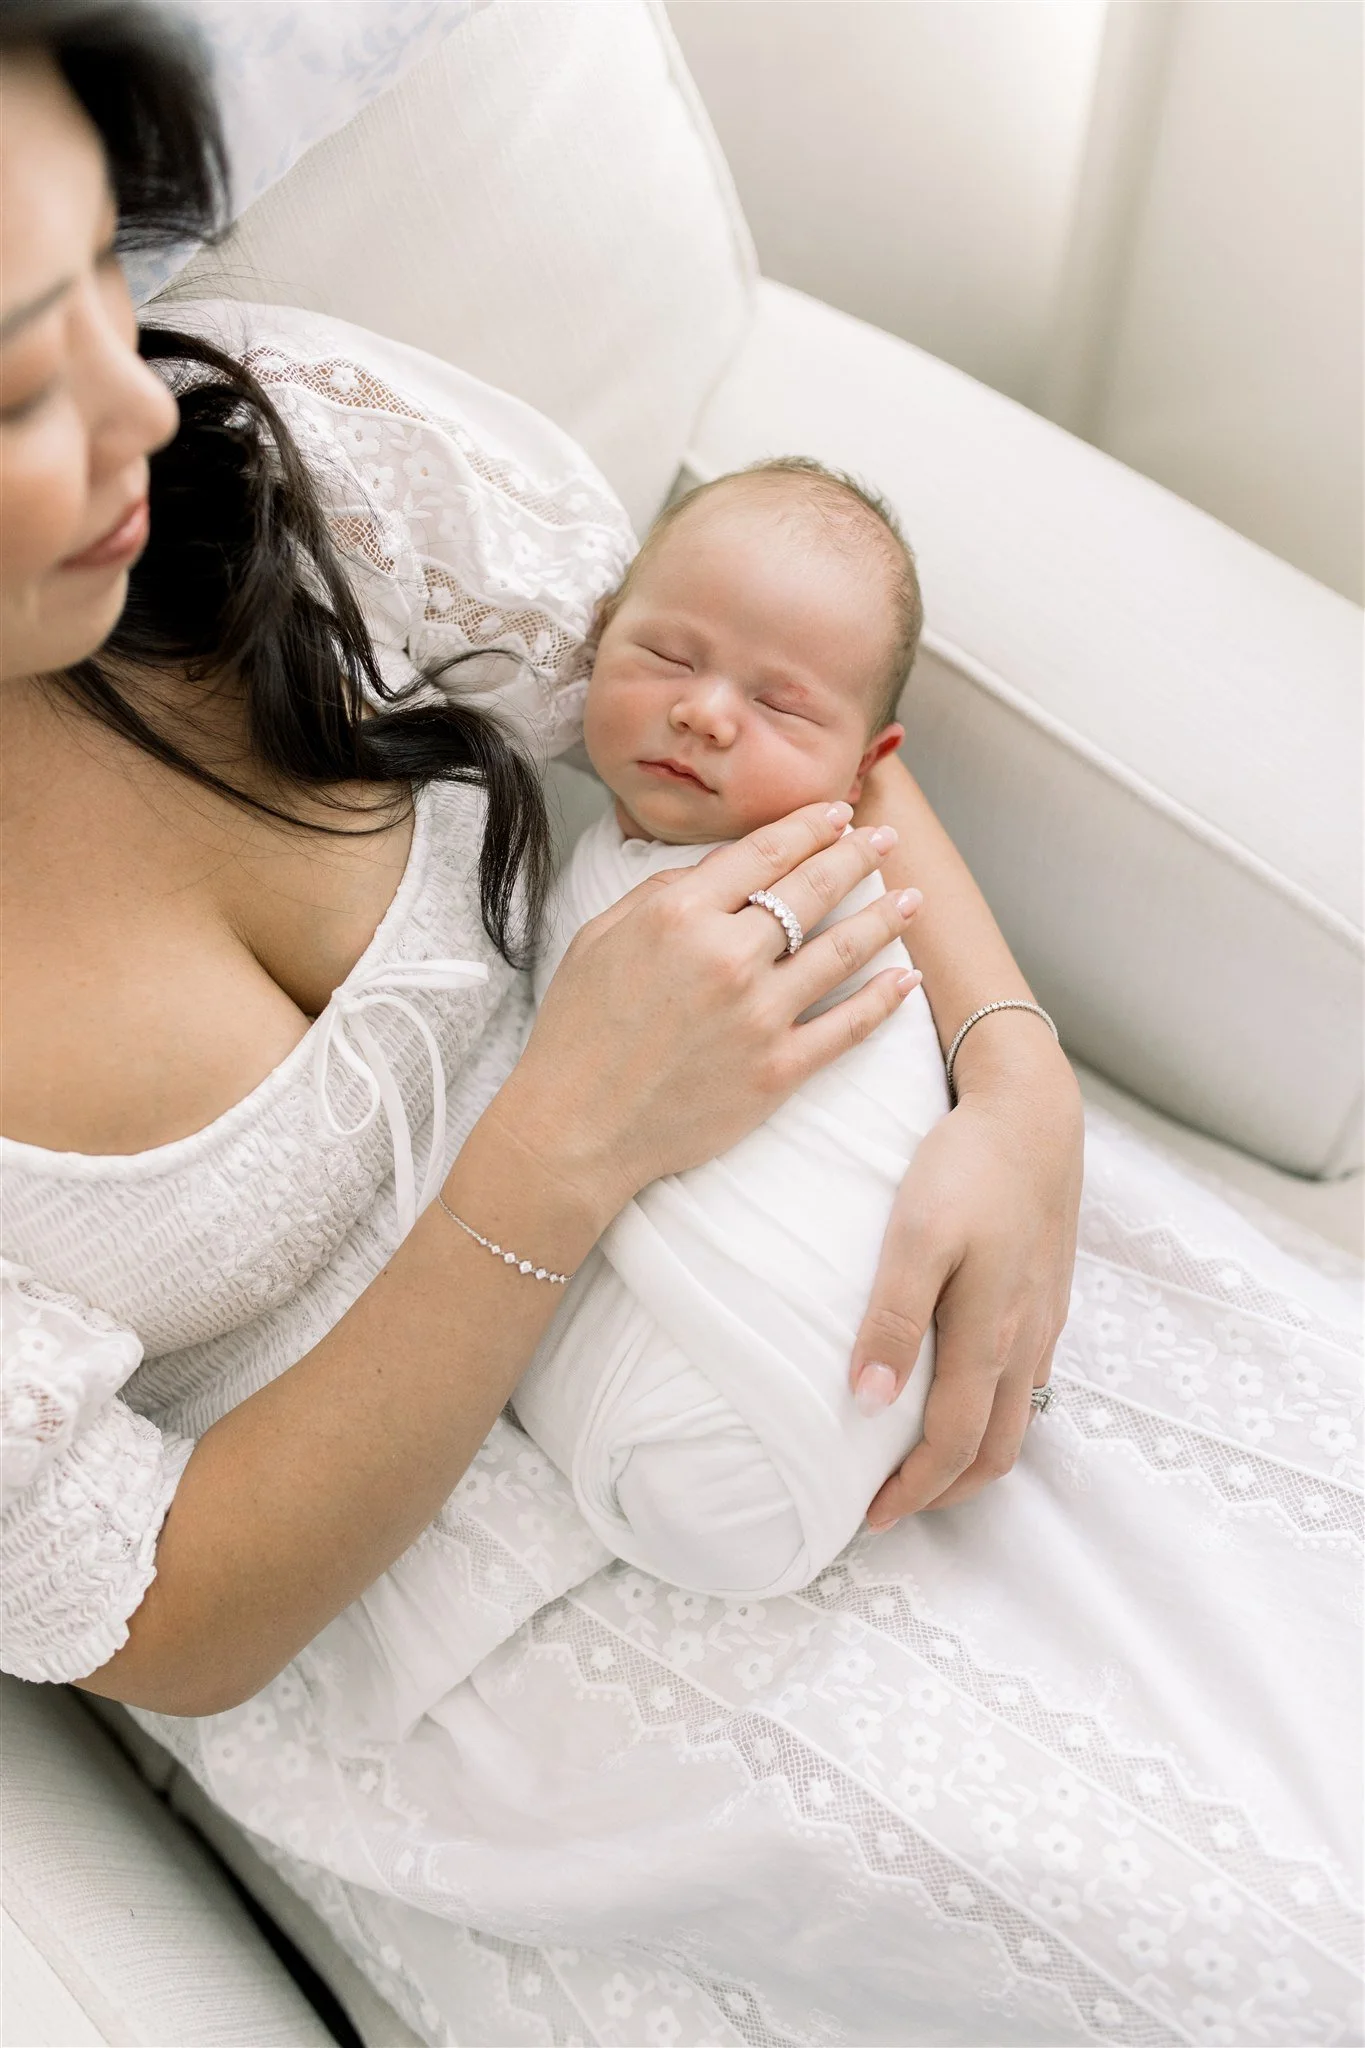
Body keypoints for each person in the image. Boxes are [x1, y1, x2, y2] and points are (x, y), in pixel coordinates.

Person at [1, 9, 1357, 2044]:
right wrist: (558, 1145)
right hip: (482, 1650)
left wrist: (1013, 1074)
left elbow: (773, 714)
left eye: (115, 270)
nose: (144, 397)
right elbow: (163, 1608)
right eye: (25, 370)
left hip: (844, 1204)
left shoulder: (270, 478)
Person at [514, 459, 963, 1595]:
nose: (703, 711)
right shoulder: (590, 851)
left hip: (787, 1384)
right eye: (667, 654)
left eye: (781, 704)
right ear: (600, 634)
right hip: (709, 1438)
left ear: (867, 769)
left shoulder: (831, 888)